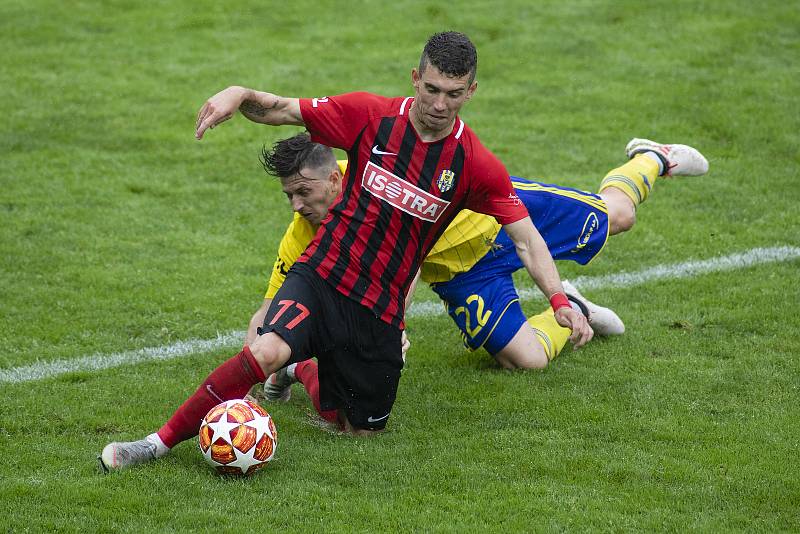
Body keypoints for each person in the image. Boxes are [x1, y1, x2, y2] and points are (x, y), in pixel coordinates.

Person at [99, 31, 591, 471]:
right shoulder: (369, 116)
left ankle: (304, 366)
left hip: (378, 307)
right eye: (432, 89)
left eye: (454, 94)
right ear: (416, 78)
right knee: (264, 349)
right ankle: (155, 444)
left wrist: (558, 302)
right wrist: (240, 94)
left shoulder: (475, 165)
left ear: (471, 91)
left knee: (359, 430)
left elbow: (527, 239)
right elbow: (282, 109)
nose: (440, 104)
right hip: (325, 274)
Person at [250, 134, 708, 424]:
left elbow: (401, 268)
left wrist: (391, 327)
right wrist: (259, 361)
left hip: (500, 223)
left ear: (333, 179)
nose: (295, 204)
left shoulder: (380, 182)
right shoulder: (304, 232)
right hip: (461, 273)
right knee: (525, 359)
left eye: (302, 192)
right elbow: (272, 309)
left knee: (621, 215)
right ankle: (577, 306)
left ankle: (652, 158)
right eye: (288, 195)